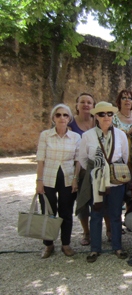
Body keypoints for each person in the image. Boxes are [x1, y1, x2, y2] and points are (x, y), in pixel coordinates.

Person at [78, 101, 129, 263]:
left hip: (115, 181)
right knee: (96, 214)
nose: (106, 117)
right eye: (102, 114)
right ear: (96, 116)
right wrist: (98, 172)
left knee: (115, 214)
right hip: (97, 181)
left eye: (109, 113)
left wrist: (111, 171)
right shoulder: (88, 136)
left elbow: (125, 156)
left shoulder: (120, 135)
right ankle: (95, 248)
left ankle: (117, 246)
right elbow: (83, 159)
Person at [36, 104, 80, 258]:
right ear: (53, 118)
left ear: (69, 118)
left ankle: (66, 244)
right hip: (48, 177)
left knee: (66, 212)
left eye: (65, 115)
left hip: (68, 178)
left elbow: (78, 160)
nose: (62, 118)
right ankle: (48, 245)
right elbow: (40, 159)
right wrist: (39, 180)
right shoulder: (45, 135)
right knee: (48, 212)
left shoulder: (75, 137)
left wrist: (75, 179)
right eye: (58, 115)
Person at [69, 93, 101, 246]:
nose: (86, 105)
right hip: (79, 169)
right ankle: (86, 232)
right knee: (82, 202)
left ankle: (106, 230)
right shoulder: (71, 124)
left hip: (97, 169)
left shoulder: (98, 122)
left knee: (100, 201)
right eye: (83, 102)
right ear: (77, 105)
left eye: (89, 102)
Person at [112, 89, 132, 169]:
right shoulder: (113, 119)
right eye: (124, 98)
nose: (127, 100)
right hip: (119, 158)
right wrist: (129, 132)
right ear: (119, 101)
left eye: (130, 98)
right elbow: (112, 138)